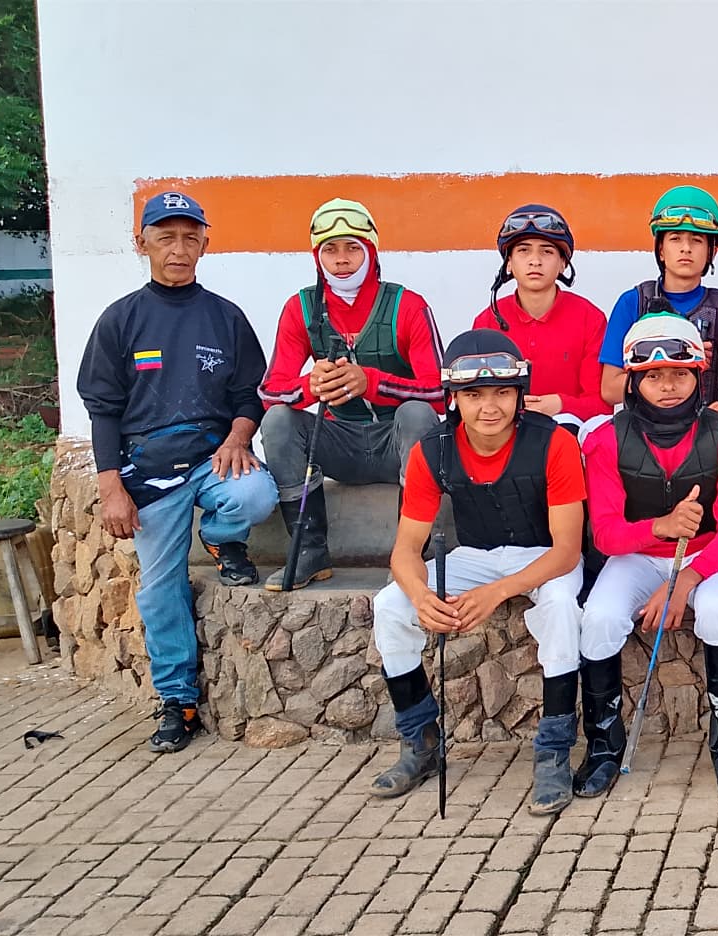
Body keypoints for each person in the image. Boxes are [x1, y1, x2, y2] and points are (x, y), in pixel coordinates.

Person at [77, 191, 277, 754]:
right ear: (142, 244)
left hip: (214, 456)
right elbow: (102, 409)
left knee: (257, 495)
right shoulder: (120, 320)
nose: (179, 249)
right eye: (166, 237)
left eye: (190, 237)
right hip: (147, 473)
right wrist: (111, 485)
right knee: (160, 589)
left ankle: (219, 539)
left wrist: (239, 436)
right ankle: (177, 699)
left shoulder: (225, 316)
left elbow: (249, 394)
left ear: (205, 244)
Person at [366, 330, 588, 811]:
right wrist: (420, 594)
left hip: (543, 554)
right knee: (389, 605)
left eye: (503, 392)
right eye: (473, 395)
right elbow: (405, 549)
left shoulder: (555, 443)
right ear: (453, 398)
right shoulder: (431, 450)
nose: (490, 407)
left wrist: (497, 593)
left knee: (560, 607)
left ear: (520, 394)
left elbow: (568, 551)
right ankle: (420, 741)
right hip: (478, 554)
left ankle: (552, 752)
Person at [577, 314, 718, 797]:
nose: (668, 386)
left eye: (680, 373)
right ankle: (603, 744)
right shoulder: (604, 440)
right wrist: (661, 526)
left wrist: (685, 580)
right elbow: (606, 536)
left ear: (699, 375)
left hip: (707, 556)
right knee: (597, 619)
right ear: (633, 382)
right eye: (653, 376)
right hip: (637, 554)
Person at [258, 198, 444, 591]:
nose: (341, 259)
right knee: (278, 420)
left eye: (352, 248)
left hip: (395, 440)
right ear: (317, 256)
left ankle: (409, 552)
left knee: (417, 414)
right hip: (336, 439)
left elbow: (441, 392)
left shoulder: (406, 305)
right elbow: (271, 392)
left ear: (370, 251)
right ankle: (308, 549)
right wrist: (310, 386)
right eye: (330, 249)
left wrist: (372, 382)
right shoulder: (301, 308)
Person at [599, 185, 718, 412]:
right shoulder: (633, 303)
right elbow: (609, 390)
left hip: (703, 424)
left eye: (697, 240)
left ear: (711, 251)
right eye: (675, 238)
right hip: (643, 426)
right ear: (660, 249)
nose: (686, 248)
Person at [473, 204, 612, 438]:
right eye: (524, 251)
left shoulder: (590, 318)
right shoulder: (486, 321)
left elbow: (601, 405)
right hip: (503, 436)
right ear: (508, 263)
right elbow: (473, 399)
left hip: (568, 436)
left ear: (563, 263)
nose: (535, 261)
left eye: (547, 252)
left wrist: (559, 404)